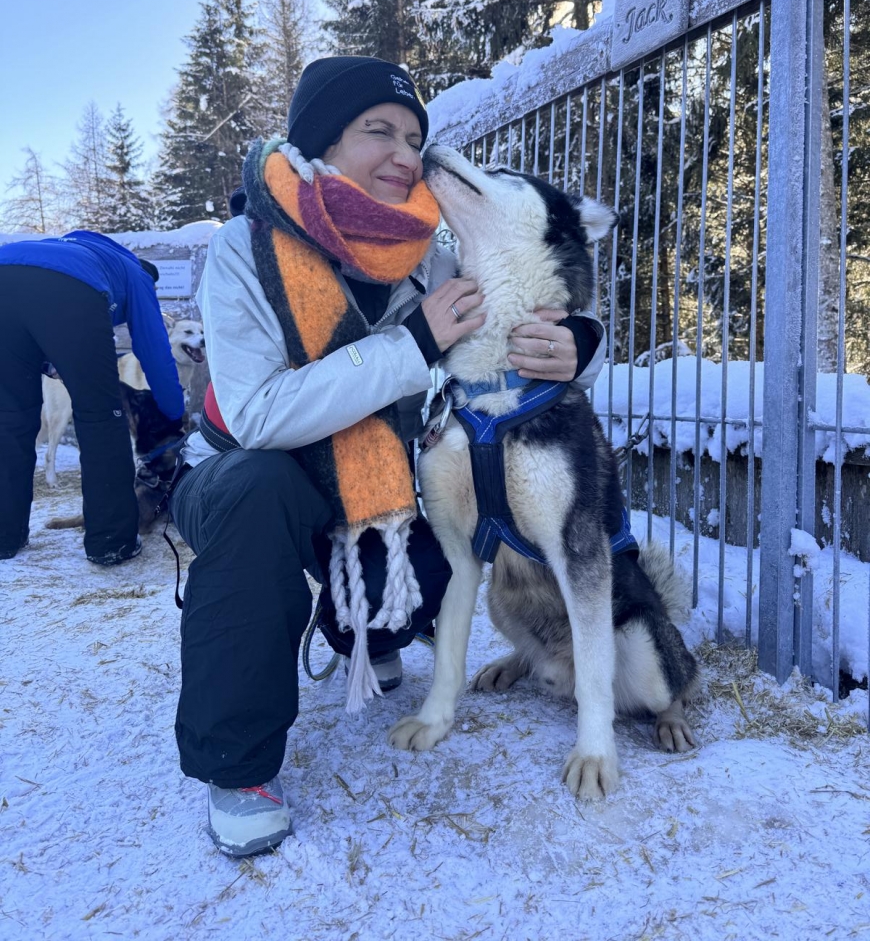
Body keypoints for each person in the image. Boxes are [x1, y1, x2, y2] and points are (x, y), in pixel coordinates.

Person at [170, 55, 607, 858]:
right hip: (244, 468)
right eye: (379, 130)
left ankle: (362, 628)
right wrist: (410, 347)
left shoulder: (429, 255)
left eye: (414, 135)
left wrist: (580, 343)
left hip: (376, 485)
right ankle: (236, 765)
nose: (407, 153)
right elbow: (261, 412)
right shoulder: (245, 247)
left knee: (451, 487)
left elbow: (520, 312)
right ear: (320, 144)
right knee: (257, 493)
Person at [0, 230, 186, 565]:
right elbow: (155, 351)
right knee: (101, 417)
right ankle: (111, 542)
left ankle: (4, 535)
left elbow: (35, 316)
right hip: (70, 288)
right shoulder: (137, 275)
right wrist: (173, 413)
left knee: (10, 419)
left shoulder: (71, 249)